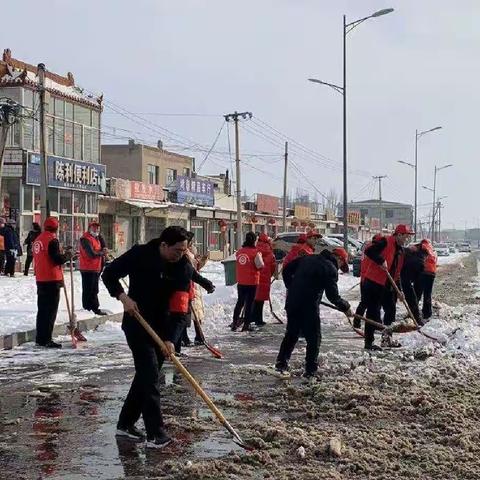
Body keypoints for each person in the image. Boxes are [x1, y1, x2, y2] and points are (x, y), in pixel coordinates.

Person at [102, 226, 215, 449]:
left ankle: (125, 424)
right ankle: (156, 433)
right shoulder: (140, 254)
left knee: (145, 377)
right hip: (137, 322)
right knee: (151, 375)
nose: (181, 254)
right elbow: (109, 274)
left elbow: (181, 311)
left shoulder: (183, 267)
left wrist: (172, 339)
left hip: (163, 330)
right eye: (177, 250)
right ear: (164, 245)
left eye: (184, 251)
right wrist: (122, 297)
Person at [275, 248, 352, 378]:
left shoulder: (307, 258)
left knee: (292, 334)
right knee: (314, 338)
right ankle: (311, 370)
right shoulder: (330, 268)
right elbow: (333, 296)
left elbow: (286, 269)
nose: (339, 268)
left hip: (293, 302)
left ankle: (281, 364)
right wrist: (346, 307)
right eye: (341, 264)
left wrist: (293, 287)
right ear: (338, 258)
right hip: (308, 306)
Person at [360, 224, 413, 350]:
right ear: (399, 234)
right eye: (406, 236)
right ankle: (369, 342)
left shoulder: (400, 251)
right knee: (373, 312)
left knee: (391, 310)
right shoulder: (385, 241)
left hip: (388, 285)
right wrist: (380, 260)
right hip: (374, 282)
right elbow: (369, 251)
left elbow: (397, 273)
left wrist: (399, 290)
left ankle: (387, 338)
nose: (407, 239)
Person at [33, 217, 73, 348]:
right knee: (50, 311)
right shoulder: (52, 240)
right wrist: (67, 255)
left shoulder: (38, 239)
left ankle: (40, 338)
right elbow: (56, 259)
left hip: (40, 278)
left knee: (42, 310)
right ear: (56, 228)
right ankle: (46, 339)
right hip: (52, 279)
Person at [231, 231, 264, 332]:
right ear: (254, 240)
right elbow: (260, 265)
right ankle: (246, 324)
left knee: (240, 302)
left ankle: (234, 323)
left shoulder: (239, 252)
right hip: (252, 282)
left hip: (241, 281)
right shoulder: (255, 252)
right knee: (249, 303)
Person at [353, 234, 383, 328]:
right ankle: (375, 323)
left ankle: (357, 321)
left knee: (365, 302)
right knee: (374, 303)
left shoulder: (367, 247)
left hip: (364, 278)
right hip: (370, 279)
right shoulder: (373, 250)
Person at [79, 221, 108, 315]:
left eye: (97, 228)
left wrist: (103, 247)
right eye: (94, 228)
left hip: (95, 268)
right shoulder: (86, 239)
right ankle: (91, 308)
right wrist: (101, 253)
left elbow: (103, 246)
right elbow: (91, 254)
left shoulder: (96, 238)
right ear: (89, 228)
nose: (96, 230)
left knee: (94, 289)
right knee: (89, 289)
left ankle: (91, 308)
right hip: (88, 268)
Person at [252, 233, 276, 327]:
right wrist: (269, 274)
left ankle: (252, 317)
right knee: (260, 300)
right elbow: (273, 267)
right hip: (265, 278)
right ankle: (259, 319)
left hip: (255, 277)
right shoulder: (270, 253)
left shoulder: (255, 250)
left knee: (254, 299)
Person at [401, 244, 428, 325]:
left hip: (403, 277)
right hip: (403, 278)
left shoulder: (413, 255)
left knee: (412, 299)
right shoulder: (419, 261)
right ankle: (417, 319)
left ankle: (415, 317)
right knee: (412, 299)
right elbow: (415, 275)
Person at [414, 239, 437, 321]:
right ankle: (427, 313)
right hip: (432, 274)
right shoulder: (432, 249)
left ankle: (414, 313)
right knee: (427, 294)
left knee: (417, 293)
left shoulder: (421, 247)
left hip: (423, 273)